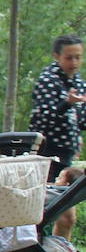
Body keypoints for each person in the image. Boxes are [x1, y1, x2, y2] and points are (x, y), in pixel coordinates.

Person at [30, 35, 86, 181]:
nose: (74, 62)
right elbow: (43, 120)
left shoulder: (79, 83)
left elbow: (81, 122)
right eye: (69, 58)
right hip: (47, 152)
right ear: (57, 56)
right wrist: (66, 103)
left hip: (68, 151)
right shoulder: (48, 81)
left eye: (78, 57)